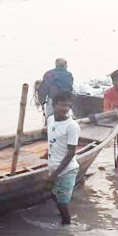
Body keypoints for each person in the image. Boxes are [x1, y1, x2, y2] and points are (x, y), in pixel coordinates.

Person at [45, 91, 80, 225]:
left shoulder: (72, 126)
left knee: (62, 203)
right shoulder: (50, 120)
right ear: (54, 105)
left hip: (66, 169)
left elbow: (71, 152)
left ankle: (65, 229)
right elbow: (52, 139)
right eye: (62, 105)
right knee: (54, 195)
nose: (65, 109)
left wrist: (55, 174)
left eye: (68, 106)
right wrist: (47, 153)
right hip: (54, 166)